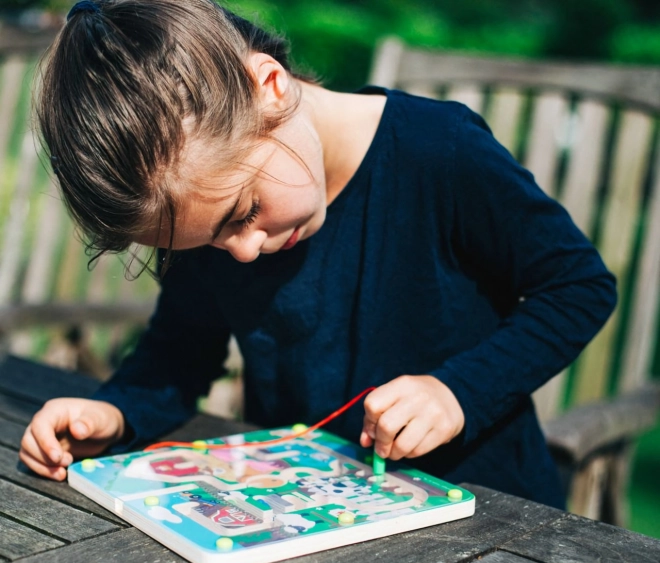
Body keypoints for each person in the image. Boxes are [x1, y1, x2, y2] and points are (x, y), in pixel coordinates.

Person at [19, 0, 617, 508]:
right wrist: (116, 413)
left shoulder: (440, 153)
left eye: (244, 213)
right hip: (305, 513)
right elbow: (180, 350)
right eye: (210, 243)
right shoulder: (209, 207)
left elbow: (577, 286)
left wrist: (457, 391)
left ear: (271, 87)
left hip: (488, 512)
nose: (243, 253)